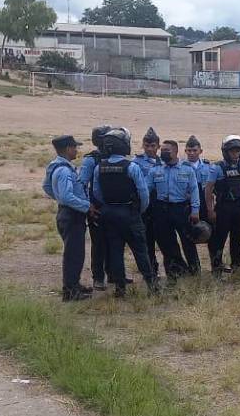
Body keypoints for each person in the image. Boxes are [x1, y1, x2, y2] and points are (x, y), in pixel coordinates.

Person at [91, 128, 158, 296]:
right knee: (140, 250)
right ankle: (151, 285)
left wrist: (107, 207)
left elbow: (97, 193)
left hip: (109, 213)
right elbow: (143, 194)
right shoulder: (132, 167)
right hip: (129, 213)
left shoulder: (99, 168)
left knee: (115, 251)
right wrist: (138, 212)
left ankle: (120, 289)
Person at [43, 135, 92, 301]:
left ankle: (74, 285)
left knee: (75, 253)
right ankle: (70, 291)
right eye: (74, 147)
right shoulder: (64, 170)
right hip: (72, 215)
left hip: (66, 213)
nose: (76, 150)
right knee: (74, 254)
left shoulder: (57, 166)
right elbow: (66, 197)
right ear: (68, 149)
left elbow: (47, 187)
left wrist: (59, 198)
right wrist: (86, 206)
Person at [204, 135, 240, 274]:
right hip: (223, 208)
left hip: (238, 208)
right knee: (220, 238)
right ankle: (216, 267)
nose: (235, 154)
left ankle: (236, 264)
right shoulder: (217, 168)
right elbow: (209, 189)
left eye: (238, 151)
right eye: (232, 151)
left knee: (237, 237)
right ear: (226, 152)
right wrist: (210, 210)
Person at [149, 139, 201, 279]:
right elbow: (147, 189)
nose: (164, 153)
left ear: (176, 151)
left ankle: (195, 271)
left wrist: (195, 211)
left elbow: (194, 190)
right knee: (167, 244)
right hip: (162, 210)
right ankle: (174, 273)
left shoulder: (187, 169)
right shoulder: (155, 169)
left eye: (167, 150)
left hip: (181, 209)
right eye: (163, 150)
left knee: (188, 241)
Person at [80, 125, 113, 290]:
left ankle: (113, 273)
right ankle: (98, 277)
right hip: (97, 207)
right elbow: (82, 184)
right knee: (99, 243)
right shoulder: (91, 159)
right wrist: (89, 205)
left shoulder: (115, 156)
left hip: (113, 206)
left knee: (114, 242)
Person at [134, 127, 162, 274]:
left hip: (162, 205)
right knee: (148, 239)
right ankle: (152, 269)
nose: (150, 149)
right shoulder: (136, 162)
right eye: (147, 146)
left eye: (153, 146)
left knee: (164, 238)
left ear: (158, 146)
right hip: (145, 205)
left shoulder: (163, 161)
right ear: (143, 145)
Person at [181, 136, 210, 274]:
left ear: (200, 151)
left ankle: (216, 265)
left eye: (194, 150)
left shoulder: (208, 167)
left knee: (211, 234)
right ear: (185, 151)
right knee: (188, 238)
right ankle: (194, 268)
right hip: (187, 206)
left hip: (205, 203)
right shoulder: (181, 167)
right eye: (189, 150)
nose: (191, 153)